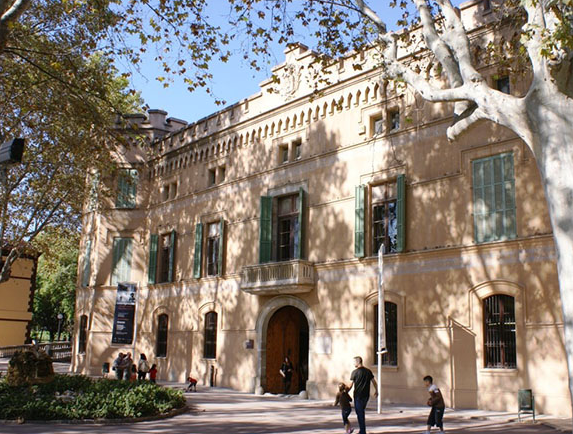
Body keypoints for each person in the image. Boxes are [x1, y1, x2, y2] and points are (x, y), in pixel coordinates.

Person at [348, 356, 378, 434]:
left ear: (358, 362)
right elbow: (374, 382)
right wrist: (376, 390)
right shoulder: (368, 371)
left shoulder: (354, 372)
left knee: (360, 413)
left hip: (358, 396)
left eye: (354, 362)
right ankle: (362, 430)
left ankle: (363, 431)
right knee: (361, 412)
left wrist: (345, 391)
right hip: (366, 396)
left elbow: (350, 385)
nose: (353, 363)